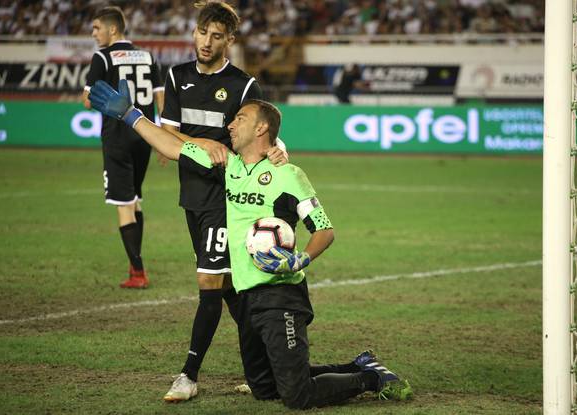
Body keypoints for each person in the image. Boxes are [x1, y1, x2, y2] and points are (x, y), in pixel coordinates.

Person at [87, 79, 413, 409]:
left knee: (296, 396)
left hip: (281, 295)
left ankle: (373, 379)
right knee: (264, 386)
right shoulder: (229, 166)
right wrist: (129, 115)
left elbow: (325, 231)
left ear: (261, 129)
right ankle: (358, 366)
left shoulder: (288, 175)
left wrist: (300, 259)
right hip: (247, 297)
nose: (230, 123)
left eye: (239, 118)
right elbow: (171, 147)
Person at [156, 1, 287, 401]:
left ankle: (188, 375)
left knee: (209, 285)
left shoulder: (245, 86)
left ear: (230, 40)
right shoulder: (177, 76)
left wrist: (280, 147)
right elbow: (168, 138)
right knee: (232, 290)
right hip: (191, 196)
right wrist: (203, 142)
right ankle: (264, 369)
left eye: (216, 36)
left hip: (227, 197)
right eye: (202, 33)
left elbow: (261, 133)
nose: (207, 42)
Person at [82, 6, 164, 289]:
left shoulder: (102, 57)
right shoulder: (147, 56)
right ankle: (134, 266)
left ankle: (138, 273)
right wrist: (164, 136)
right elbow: (159, 97)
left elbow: (89, 100)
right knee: (136, 199)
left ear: (112, 29)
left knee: (123, 204)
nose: (94, 34)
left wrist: (100, 98)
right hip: (145, 134)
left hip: (118, 134)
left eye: (96, 28)